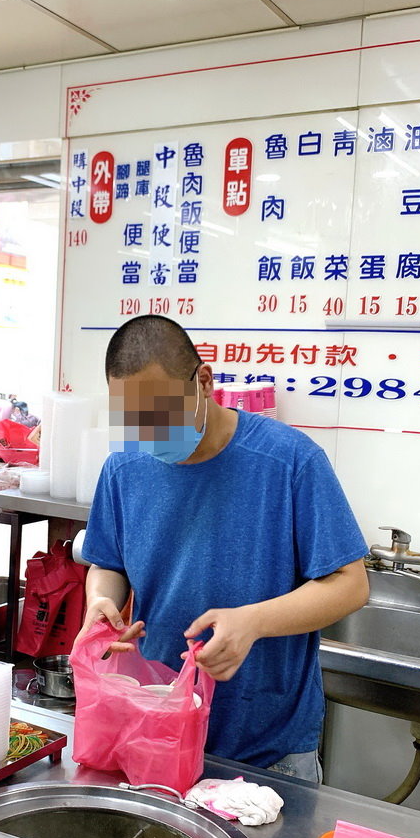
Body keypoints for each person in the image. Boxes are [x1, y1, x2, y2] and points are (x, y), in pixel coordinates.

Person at [78, 315, 370, 782]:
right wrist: (100, 601)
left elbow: (350, 585)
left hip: (268, 745)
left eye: (161, 414)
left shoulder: (289, 461)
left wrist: (252, 622)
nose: (149, 433)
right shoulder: (124, 468)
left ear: (204, 382)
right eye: (134, 418)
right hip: (160, 728)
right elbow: (107, 563)